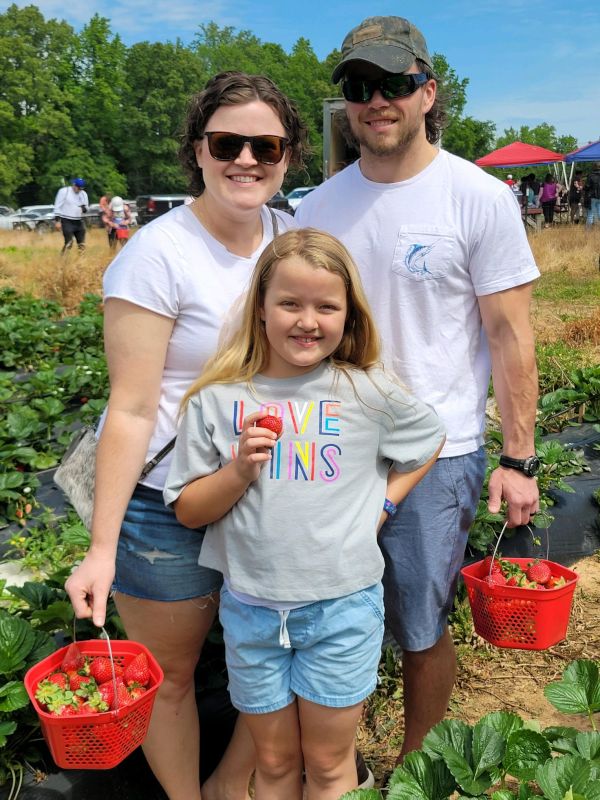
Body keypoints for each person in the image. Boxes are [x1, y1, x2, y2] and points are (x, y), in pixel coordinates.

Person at [296, 15, 540, 764]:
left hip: (435, 452)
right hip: (330, 448)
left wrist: (519, 459)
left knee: (419, 623)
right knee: (325, 618)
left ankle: (417, 764)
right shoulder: (317, 208)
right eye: (360, 87)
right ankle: (333, 765)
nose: (377, 101)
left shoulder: (477, 197)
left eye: (395, 84)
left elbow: (510, 338)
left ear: (428, 92)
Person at [64, 71, 307, 800]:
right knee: (170, 675)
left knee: (268, 658)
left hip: (262, 488)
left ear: (288, 155)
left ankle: (233, 787)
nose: (246, 160)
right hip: (163, 501)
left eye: (265, 145)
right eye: (226, 142)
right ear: (196, 152)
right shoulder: (155, 255)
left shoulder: (289, 235)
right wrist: (101, 549)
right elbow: (133, 409)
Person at [163, 228, 446, 800]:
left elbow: (430, 437)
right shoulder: (217, 400)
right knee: (271, 761)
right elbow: (190, 511)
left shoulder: (365, 392)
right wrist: (238, 471)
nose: (307, 320)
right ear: (260, 309)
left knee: (327, 760)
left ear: (350, 315)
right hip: (252, 612)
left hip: (342, 608)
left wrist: (384, 503)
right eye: (289, 303)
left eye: (326, 306)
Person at [53, 177, 89, 253]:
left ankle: (81, 262)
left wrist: (83, 206)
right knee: (69, 242)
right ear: (74, 185)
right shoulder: (64, 191)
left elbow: (86, 209)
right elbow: (57, 206)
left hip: (78, 221)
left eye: (80, 189)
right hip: (66, 220)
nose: (79, 190)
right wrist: (57, 221)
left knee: (82, 244)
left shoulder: (83, 194)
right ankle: (63, 260)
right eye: (78, 188)